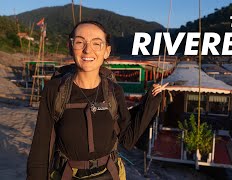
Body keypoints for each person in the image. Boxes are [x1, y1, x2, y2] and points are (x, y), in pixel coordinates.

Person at [27, 21, 168, 180]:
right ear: (70, 46)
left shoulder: (114, 91)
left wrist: (150, 101)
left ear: (107, 51)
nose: (88, 49)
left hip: (109, 174)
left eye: (97, 43)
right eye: (80, 42)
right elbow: (40, 149)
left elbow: (128, 139)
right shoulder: (55, 90)